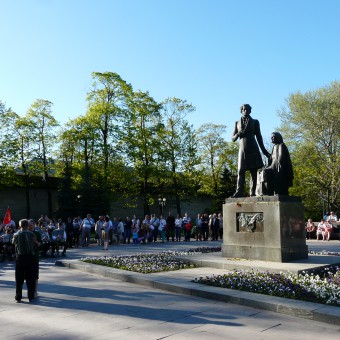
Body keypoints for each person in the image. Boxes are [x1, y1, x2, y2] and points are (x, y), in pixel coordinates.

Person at [232, 104, 270, 197]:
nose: (245, 111)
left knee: (253, 171)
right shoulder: (237, 123)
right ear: (241, 111)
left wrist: (265, 152)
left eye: (247, 109)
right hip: (242, 149)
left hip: (253, 148)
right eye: (243, 109)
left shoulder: (255, 122)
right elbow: (232, 139)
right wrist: (237, 134)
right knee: (241, 170)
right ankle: (239, 191)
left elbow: (259, 137)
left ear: (250, 111)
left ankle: (252, 192)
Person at [12, 219, 40, 302]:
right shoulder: (32, 234)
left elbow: (13, 243)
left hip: (20, 257)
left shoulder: (16, 234)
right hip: (30, 257)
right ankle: (30, 296)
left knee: (19, 278)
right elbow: (36, 244)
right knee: (30, 277)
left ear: (20, 226)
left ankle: (18, 296)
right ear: (27, 226)